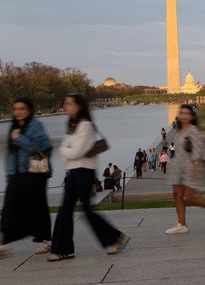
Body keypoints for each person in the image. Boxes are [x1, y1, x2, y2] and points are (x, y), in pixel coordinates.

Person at [49, 93, 129, 261]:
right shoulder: (73, 126)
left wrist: (65, 150)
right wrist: (67, 151)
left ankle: (114, 238)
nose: (66, 106)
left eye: (69, 103)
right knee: (66, 211)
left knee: (83, 210)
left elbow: (75, 151)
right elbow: (69, 151)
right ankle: (65, 248)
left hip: (83, 173)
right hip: (74, 172)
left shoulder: (85, 126)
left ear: (78, 106)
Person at [0, 98, 53, 257]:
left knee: (38, 206)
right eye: (15, 109)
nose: (18, 112)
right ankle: (4, 243)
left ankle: (47, 240)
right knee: (9, 206)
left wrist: (19, 138)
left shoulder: (35, 126)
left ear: (29, 110)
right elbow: (10, 154)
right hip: (17, 173)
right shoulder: (14, 127)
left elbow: (42, 149)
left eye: (22, 109)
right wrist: (9, 174)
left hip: (35, 173)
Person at [166, 104, 205, 234]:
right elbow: (198, 140)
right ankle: (181, 224)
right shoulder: (179, 129)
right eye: (181, 113)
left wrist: (195, 165)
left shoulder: (192, 129)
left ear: (192, 116)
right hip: (178, 167)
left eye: (187, 113)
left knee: (191, 197)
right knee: (177, 195)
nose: (184, 115)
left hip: (190, 166)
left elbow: (198, 149)